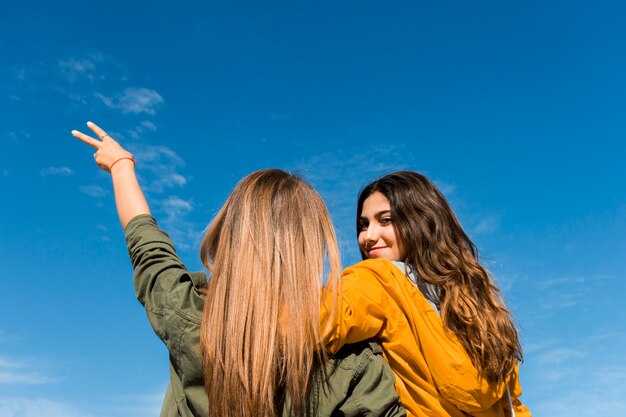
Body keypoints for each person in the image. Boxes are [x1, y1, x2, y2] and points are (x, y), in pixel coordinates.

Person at [71, 121, 405, 417]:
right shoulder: (353, 358)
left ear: (232, 235)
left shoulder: (186, 315)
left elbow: (147, 245)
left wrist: (121, 166)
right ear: (312, 248)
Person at [323, 171, 531, 417]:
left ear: (421, 221)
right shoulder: (484, 315)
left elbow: (315, 324)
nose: (368, 236)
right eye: (363, 225)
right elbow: (514, 407)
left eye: (385, 220)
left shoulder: (377, 279)